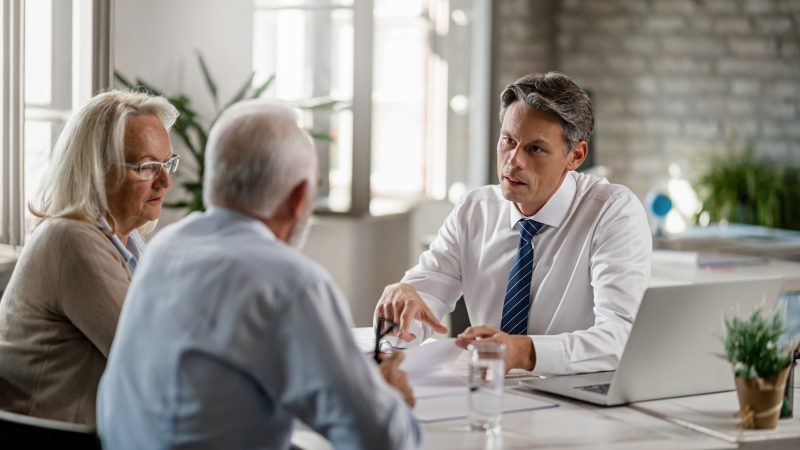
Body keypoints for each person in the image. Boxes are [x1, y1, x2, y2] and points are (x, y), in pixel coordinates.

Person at [97, 100, 421, 450]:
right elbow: (382, 440)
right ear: (299, 199)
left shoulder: (165, 249)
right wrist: (388, 397)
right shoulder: (290, 283)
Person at [375, 72, 652, 375]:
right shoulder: (474, 210)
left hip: (573, 397)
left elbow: (623, 337)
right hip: (488, 391)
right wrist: (401, 314)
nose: (513, 161)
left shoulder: (613, 212)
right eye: (508, 141)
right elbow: (424, 300)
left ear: (576, 156)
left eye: (535, 149)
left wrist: (524, 352)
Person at [0, 90, 179, 425]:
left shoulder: (128, 242)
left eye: (167, 163)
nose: (165, 181)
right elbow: (154, 361)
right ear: (98, 169)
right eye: (148, 167)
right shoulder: (72, 239)